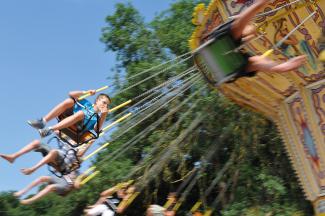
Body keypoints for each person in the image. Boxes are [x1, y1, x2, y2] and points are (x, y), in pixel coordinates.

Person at [209, 0, 307, 80]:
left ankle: (282, 67)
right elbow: (257, 7)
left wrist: (283, 67)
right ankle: (282, 67)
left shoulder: (238, 50)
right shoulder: (231, 32)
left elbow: (247, 39)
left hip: (227, 67)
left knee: (256, 62)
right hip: (221, 48)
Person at [28, 90, 111, 138]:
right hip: (69, 117)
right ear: (97, 100)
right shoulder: (86, 103)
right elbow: (71, 94)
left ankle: (50, 129)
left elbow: (97, 130)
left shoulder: (97, 118)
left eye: (107, 105)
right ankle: (43, 121)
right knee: (70, 101)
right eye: (104, 102)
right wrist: (86, 92)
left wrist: (103, 115)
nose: (105, 105)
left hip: (78, 128)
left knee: (81, 114)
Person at [0, 133, 95, 175]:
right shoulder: (72, 138)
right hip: (56, 155)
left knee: (54, 152)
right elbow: (58, 132)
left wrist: (90, 143)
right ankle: (13, 157)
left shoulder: (82, 147)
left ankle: (32, 169)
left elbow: (80, 155)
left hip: (63, 163)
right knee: (36, 142)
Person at [14, 169, 82, 205]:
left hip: (67, 185)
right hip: (61, 179)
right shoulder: (69, 167)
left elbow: (77, 186)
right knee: (42, 178)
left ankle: (31, 200)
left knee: (50, 187)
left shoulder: (79, 173)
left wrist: (77, 179)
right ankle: (23, 191)